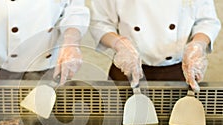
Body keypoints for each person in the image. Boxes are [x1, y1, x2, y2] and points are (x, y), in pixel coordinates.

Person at [90, 0, 221, 89]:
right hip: (127, 71)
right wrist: (120, 44)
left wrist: (198, 45)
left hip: (179, 72)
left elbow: (207, 21)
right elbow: (100, 23)